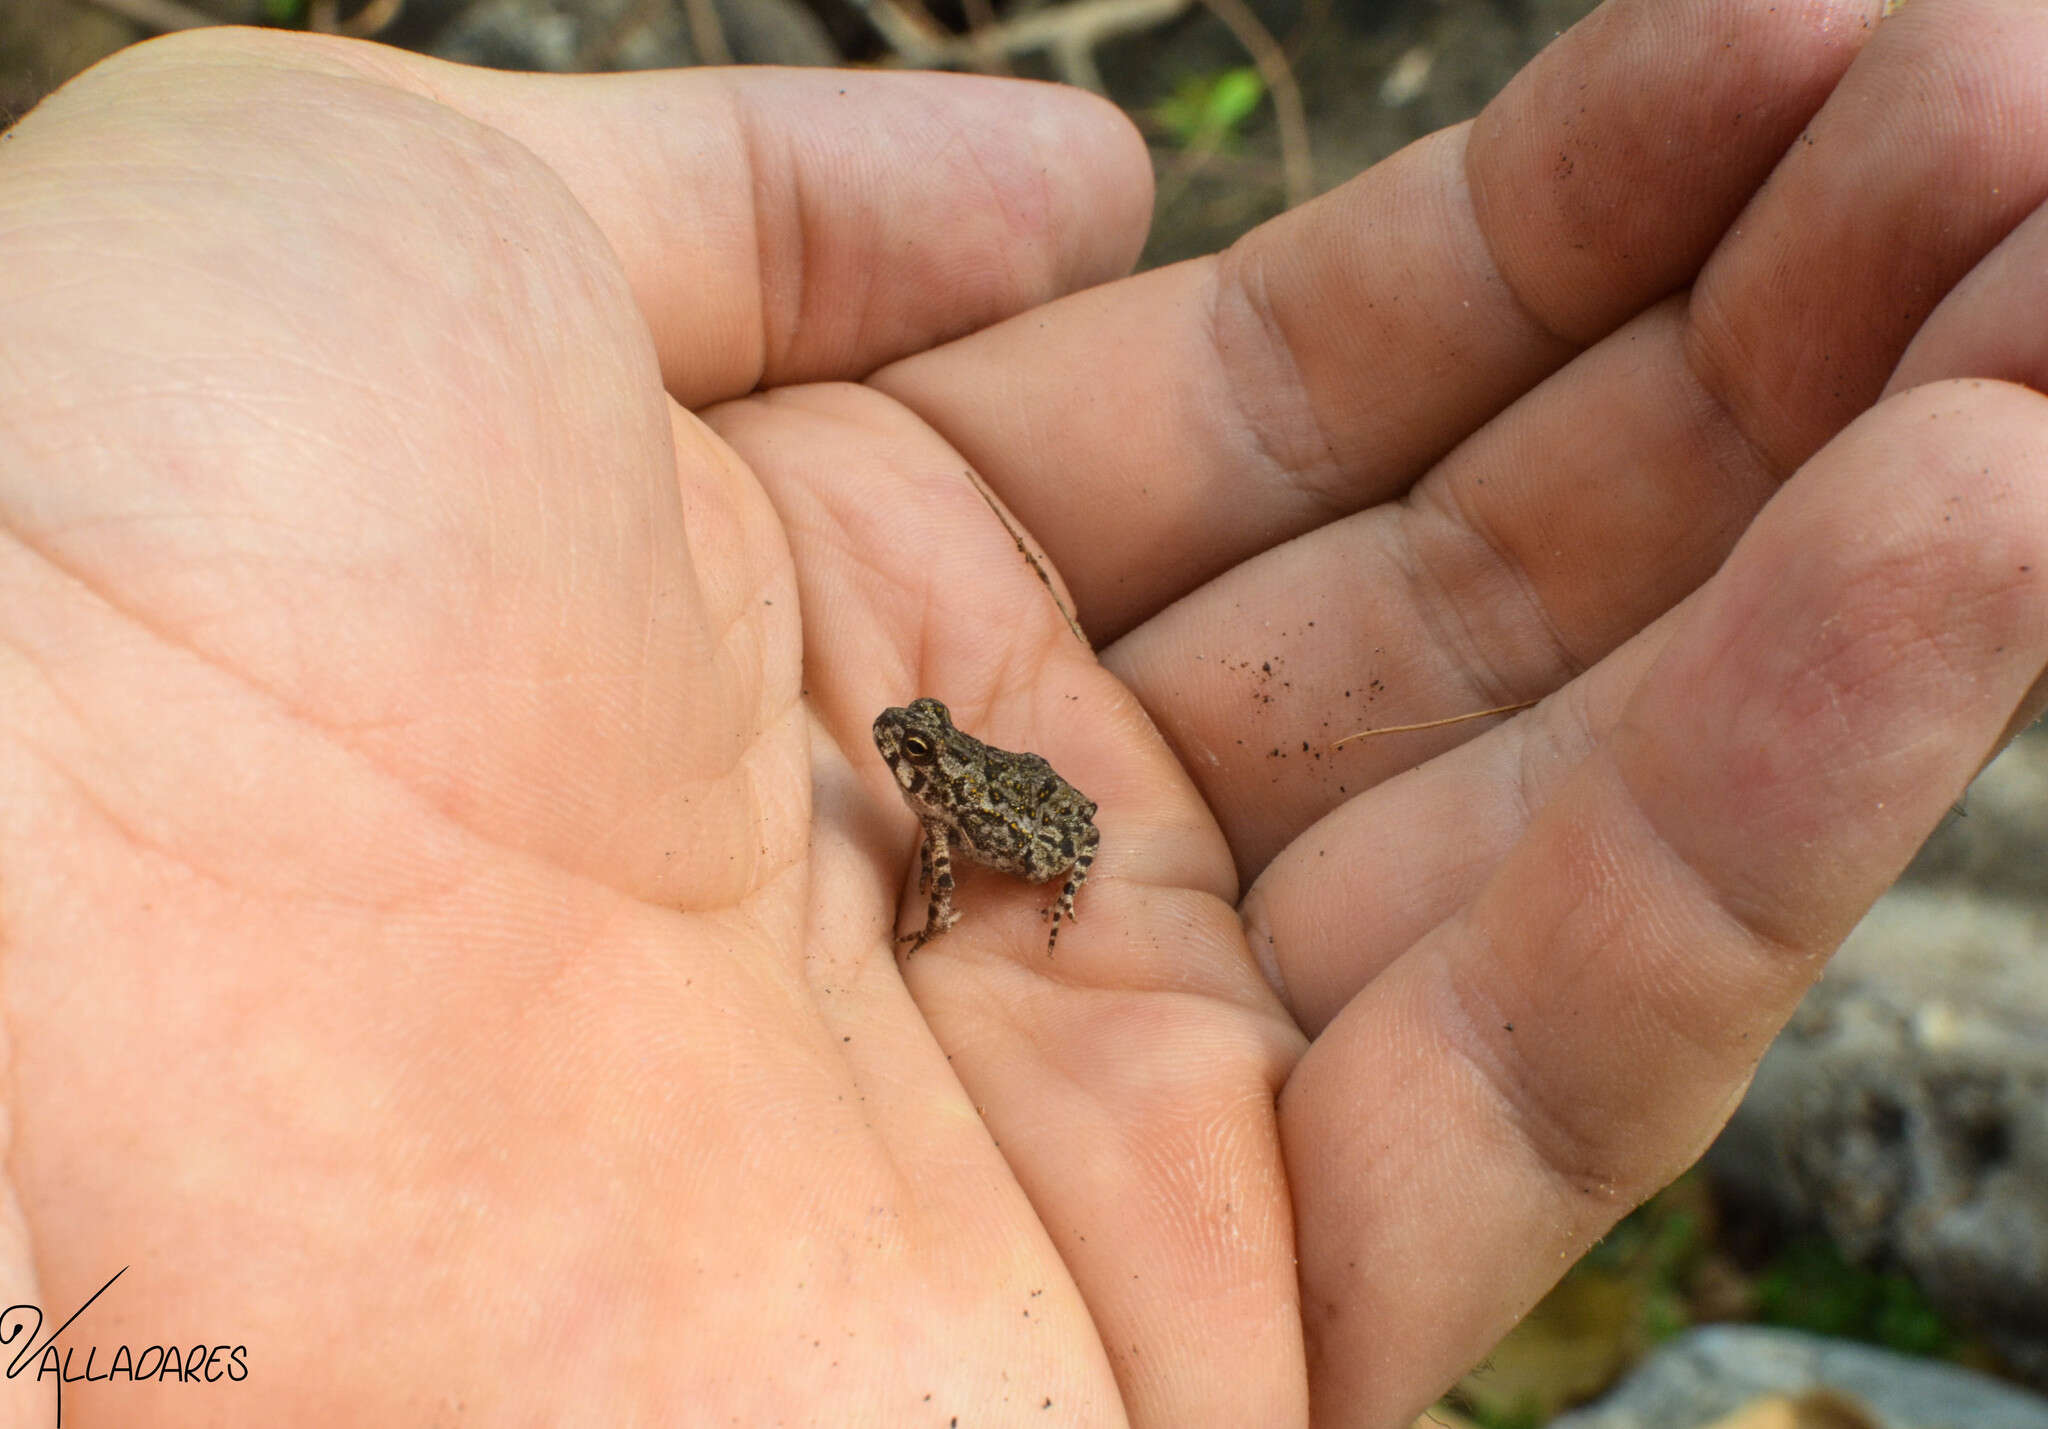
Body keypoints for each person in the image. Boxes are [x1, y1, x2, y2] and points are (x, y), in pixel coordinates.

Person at [0, 0, 2041, 1422]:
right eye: (895, 761)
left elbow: (978, 845)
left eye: (903, 760)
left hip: (1053, 837)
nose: (892, 771)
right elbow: (945, 821)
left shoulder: (962, 814)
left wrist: (1004, 891)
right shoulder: (930, 786)